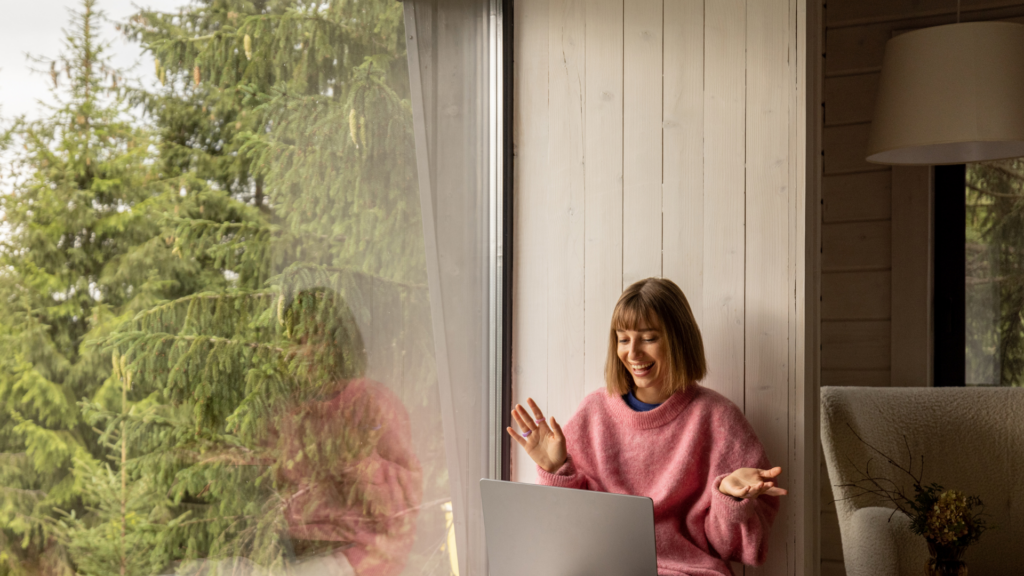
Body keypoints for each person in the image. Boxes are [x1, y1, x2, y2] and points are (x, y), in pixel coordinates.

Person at [507, 277, 785, 576]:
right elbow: (566, 533)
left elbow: (740, 550)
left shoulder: (718, 418)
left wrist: (730, 499)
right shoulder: (594, 412)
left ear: (678, 339)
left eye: (649, 338)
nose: (633, 353)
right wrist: (556, 470)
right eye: (623, 339)